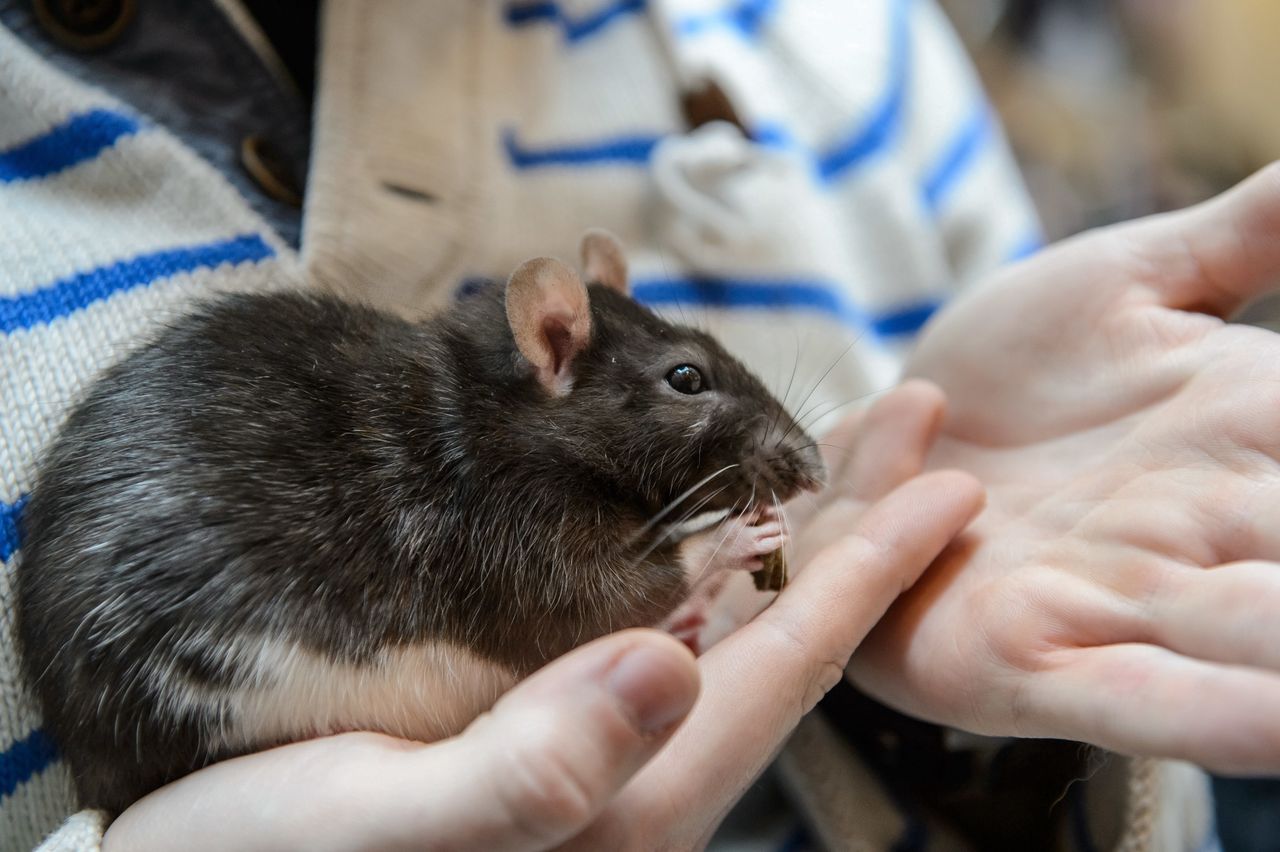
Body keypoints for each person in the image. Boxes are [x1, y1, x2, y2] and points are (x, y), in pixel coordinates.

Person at [3, 1, 1279, 849]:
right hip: (231, 665)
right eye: (685, 389)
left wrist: (998, 752)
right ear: (551, 352)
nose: (757, 435)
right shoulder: (495, 475)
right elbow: (546, 607)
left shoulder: (838, 41)